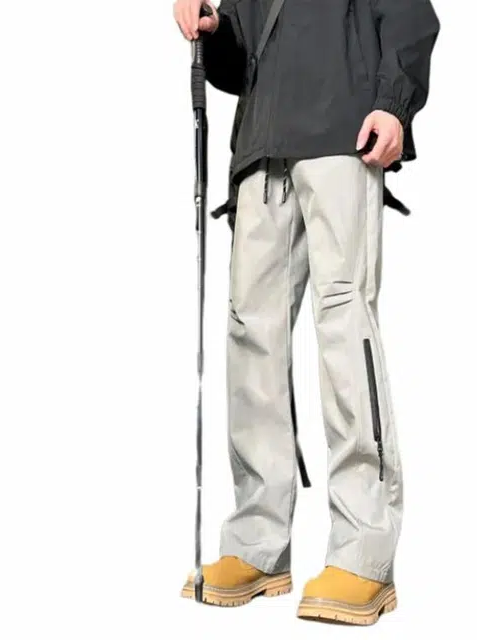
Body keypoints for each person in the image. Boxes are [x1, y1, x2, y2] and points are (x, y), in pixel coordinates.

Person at [175, 0, 439, 625]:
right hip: (261, 145)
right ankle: (257, 545)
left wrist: (393, 104)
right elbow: (242, 58)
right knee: (251, 334)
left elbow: (411, 15)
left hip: (344, 134)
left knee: (345, 326)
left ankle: (364, 551)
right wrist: (214, 30)